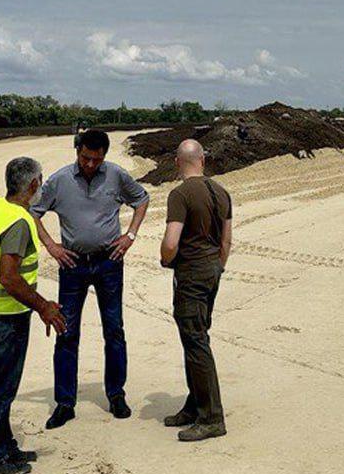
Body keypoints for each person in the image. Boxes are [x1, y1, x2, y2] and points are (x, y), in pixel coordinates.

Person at [32, 129, 150, 428]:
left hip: (109, 261)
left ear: (104, 156)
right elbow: (33, 213)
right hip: (72, 265)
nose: (90, 165)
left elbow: (141, 200)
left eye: (96, 160)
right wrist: (51, 246)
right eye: (85, 158)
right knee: (66, 332)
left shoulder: (116, 175)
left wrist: (130, 236)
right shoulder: (59, 180)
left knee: (114, 330)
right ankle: (64, 402)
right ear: (77, 151)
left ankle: (116, 394)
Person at [0, 156, 67, 474]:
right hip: (4, 318)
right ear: (33, 185)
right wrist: (43, 306)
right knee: (1, 388)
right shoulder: (18, 222)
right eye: (40, 181)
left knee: (4, 384)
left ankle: (6, 445)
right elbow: (9, 277)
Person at [159, 139, 232, 441]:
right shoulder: (222, 191)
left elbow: (171, 241)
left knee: (196, 342)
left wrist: (166, 259)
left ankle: (212, 417)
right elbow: (226, 240)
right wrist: (218, 267)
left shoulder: (180, 194)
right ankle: (195, 403)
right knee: (197, 336)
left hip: (191, 274)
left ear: (178, 163)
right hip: (212, 269)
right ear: (203, 159)